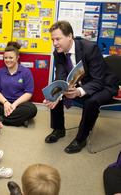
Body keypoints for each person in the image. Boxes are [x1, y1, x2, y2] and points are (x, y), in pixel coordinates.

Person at [43, 21, 119, 154]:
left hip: (105, 85)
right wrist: (55, 94)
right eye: (53, 40)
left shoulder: (90, 48)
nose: (55, 43)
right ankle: (59, 129)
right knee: (57, 92)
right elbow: (60, 77)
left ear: (69, 36)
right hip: (83, 82)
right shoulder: (58, 53)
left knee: (92, 101)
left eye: (58, 39)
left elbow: (98, 80)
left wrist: (78, 91)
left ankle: (81, 138)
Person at [0, 41, 37, 127]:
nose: (8, 60)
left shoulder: (26, 72)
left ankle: (1, 118)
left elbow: (29, 92)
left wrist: (14, 105)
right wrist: (5, 103)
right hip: (3, 102)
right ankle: (20, 120)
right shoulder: (0, 72)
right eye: (5, 58)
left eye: (11, 58)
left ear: (17, 57)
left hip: (20, 104)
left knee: (32, 109)